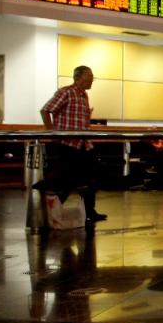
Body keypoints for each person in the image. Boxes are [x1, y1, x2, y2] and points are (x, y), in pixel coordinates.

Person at [40, 65, 106, 223]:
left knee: (90, 177)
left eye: (92, 76)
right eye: (88, 76)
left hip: (84, 143)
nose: (91, 79)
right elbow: (45, 110)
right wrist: (52, 132)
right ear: (78, 77)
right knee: (67, 179)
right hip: (68, 144)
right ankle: (51, 212)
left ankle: (89, 211)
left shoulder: (84, 95)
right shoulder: (66, 92)